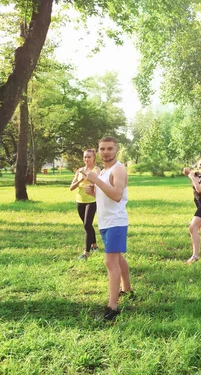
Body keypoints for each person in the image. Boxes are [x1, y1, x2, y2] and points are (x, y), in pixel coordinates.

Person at [83, 136, 133, 321]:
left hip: (116, 222)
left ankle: (112, 308)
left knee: (110, 262)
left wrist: (96, 181)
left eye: (109, 148)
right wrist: (94, 191)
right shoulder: (104, 171)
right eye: (102, 149)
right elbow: (106, 193)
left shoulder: (119, 169)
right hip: (106, 222)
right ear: (98, 151)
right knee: (118, 258)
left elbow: (117, 195)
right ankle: (126, 289)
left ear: (116, 150)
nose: (106, 152)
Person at [69, 149, 101, 260]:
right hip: (80, 201)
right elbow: (71, 188)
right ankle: (94, 245)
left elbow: (98, 183)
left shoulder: (96, 170)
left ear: (94, 158)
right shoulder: (79, 171)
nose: (86, 159)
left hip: (91, 200)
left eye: (89, 157)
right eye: (85, 157)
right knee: (88, 225)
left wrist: (88, 177)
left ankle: (86, 253)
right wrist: (80, 180)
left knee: (87, 225)